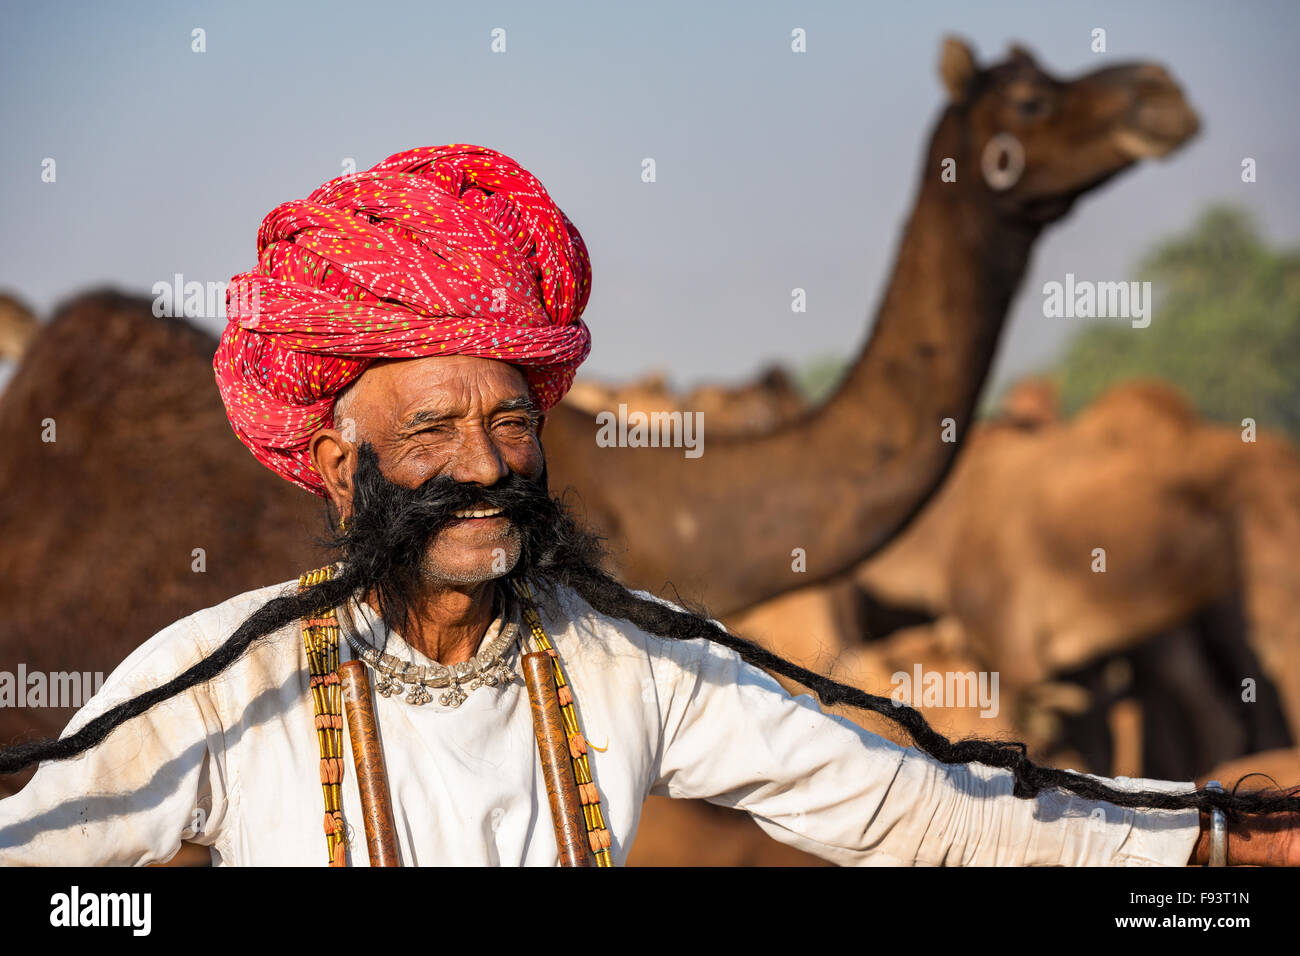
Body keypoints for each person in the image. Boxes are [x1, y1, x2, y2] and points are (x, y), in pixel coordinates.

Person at [0, 145, 1294, 867]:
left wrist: (1202, 844)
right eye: (433, 429)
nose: (485, 463)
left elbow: (914, 809)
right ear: (342, 469)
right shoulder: (222, 685)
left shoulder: (623, 662)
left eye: (512, 421)